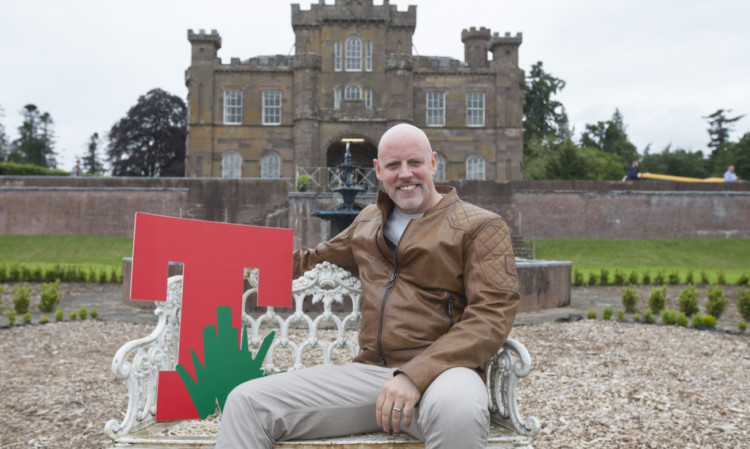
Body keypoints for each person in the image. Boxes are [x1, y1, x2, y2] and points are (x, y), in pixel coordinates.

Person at [216, 123, 520, 449]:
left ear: (433, 163)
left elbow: (491, 314)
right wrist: (232, 264)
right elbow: (310, 261)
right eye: (393, 165)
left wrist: (415, 374)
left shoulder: (479, 226)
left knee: (459, 412)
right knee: (246, 403)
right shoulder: (368, 221)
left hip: (445, 373)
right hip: (372, 374)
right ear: (378, 170)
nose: (405, 174)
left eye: (414, 162)